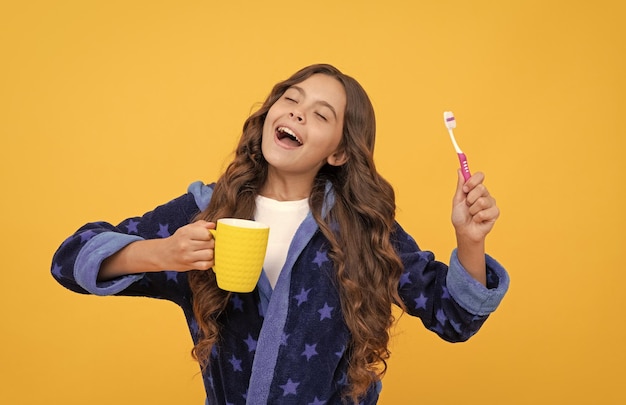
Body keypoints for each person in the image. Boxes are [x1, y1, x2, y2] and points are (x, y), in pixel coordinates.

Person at [51, 63, 510, 405]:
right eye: (291, 99)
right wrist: (160, 253)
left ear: (338, 153)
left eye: (321, 114)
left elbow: (454, 318)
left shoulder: (361, 228)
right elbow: (68, 260)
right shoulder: (205, 210)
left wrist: (470, 241)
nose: (297, 113)